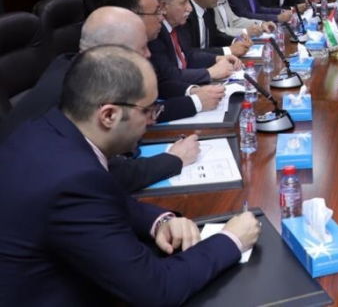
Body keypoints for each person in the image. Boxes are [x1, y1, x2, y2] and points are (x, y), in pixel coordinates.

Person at [0, 45, 261, 305]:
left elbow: (106, 195)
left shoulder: (47, 129)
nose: (152, 120)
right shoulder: (73, 179)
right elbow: (157, 290)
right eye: (148, 110)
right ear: (109, 115)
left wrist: (159, 220)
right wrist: (231, 239)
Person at [0, 7, 203, 192]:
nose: (148, 54)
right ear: (110, 53)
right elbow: (104, 175)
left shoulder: (73, 66)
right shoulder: (75, 94)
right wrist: (174, 159)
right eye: (142, 48)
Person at [147, 0, 241, 84]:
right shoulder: (155, 33)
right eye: (183, 3)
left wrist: (217, 58)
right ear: (163, 7)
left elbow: (189, 55)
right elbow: (168, 75)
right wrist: (209, 73)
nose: (190, 8)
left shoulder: (178, 24)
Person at [186, 0, 251, 56]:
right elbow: (189, 53)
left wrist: (235, 40)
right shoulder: (185, 14)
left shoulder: (208, 8)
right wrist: (228, 50)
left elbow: (215, 36)